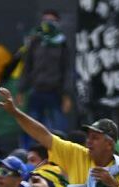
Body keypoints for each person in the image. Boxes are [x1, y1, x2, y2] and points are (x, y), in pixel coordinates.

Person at [18, 9, 72, 144]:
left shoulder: (62, 43)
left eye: (51, 20)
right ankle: (33, 158)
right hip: (36, 91)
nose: (47, 23)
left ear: (58, 23)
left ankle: (58, 158)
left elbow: (67, 70)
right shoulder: (35, 41)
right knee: (32, 128)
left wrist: (67, 95)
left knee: (58, 130)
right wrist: (21, 91)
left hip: (55, 92)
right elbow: (27, 67)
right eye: (45, 20)